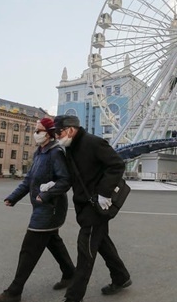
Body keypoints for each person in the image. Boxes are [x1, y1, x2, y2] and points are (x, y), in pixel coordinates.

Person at [0, 117, 75, 302]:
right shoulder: (39, 152)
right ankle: (70, 273)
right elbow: (29, 180)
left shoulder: (56, 152)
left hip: (50, 208)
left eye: (38, 131)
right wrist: (13, 197)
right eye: (35, 131)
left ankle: (14, 292)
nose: (35, 134)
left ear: (49, 133)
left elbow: (65, 180)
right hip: (40, 205)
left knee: (29, 248)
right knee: (53, 241)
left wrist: (46, 195)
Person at [53, 115, 132, 302]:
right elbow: (76, 176)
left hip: (96, 206)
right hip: (85, 205)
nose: (57, 136)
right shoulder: (70, 148)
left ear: (71, 129)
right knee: (102, 242)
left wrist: (104, 191)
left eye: (59, 132)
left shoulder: (94, 143)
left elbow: (116, 164)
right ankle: (121, 277)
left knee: (85, 250)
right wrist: (53, 184)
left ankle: (73, 297)